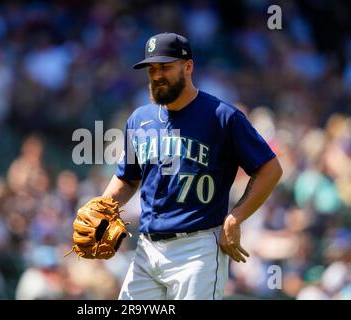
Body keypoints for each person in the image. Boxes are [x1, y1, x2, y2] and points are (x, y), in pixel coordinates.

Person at [98, 32, 283, 300]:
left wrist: (235, 217)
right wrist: (103, 207)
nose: (157, 75)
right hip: (147, 249)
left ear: (188, 66)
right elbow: (127, 179)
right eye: (151, 69)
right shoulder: (140, 119)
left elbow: (270, 169)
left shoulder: (222, 116)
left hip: (198, 250)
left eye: (165, 67)